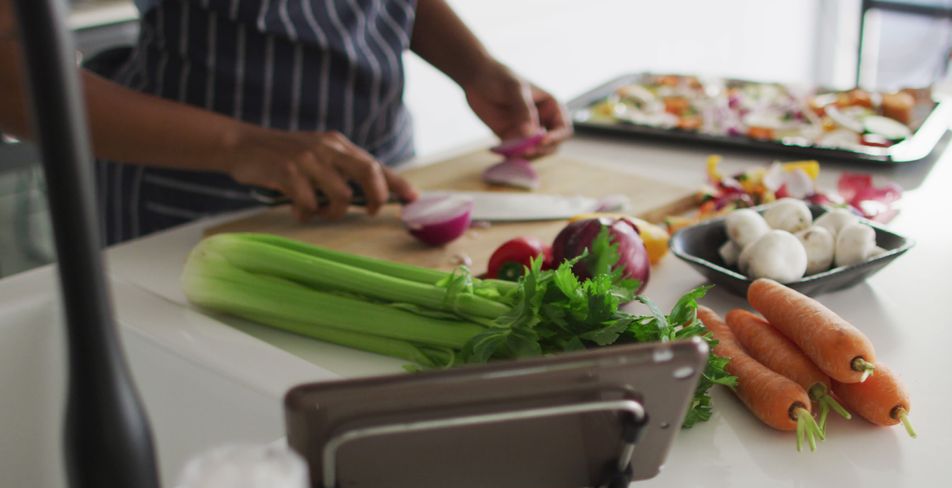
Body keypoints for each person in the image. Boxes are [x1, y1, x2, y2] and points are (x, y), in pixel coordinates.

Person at [0, 0, 571, 244]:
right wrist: (242, 144)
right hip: (189, 206)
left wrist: (475, 66)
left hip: (383, 176)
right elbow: (11, 82)